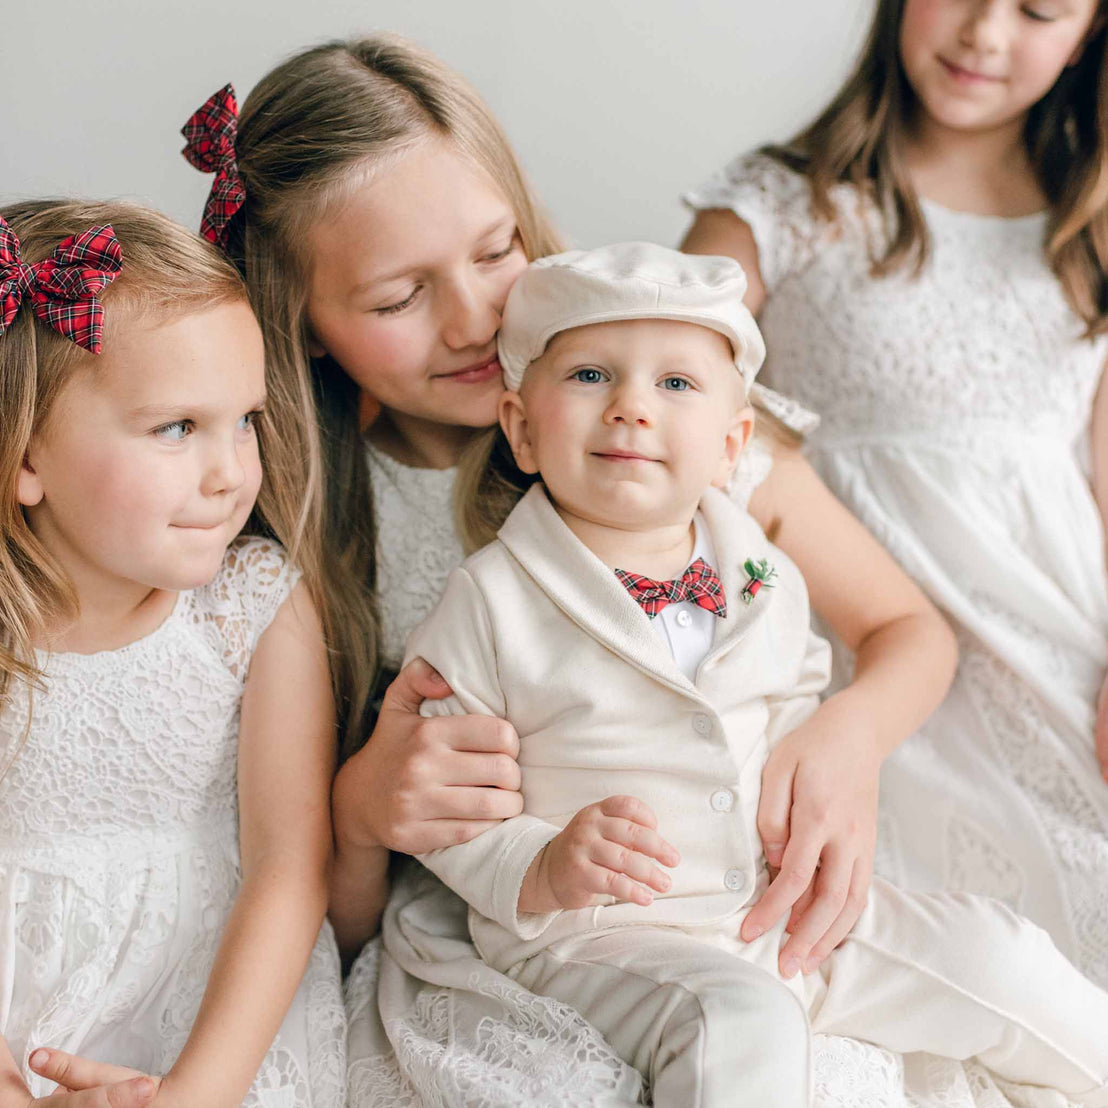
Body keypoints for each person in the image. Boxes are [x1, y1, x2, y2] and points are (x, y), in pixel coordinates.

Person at [163, 35, 970, 1104]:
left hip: (742, 896)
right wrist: (363, 813)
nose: (473, 318)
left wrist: (849, 738)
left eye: (494, 253)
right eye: (398, 298)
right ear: (300, 327)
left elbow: (912, 632)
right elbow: (330, 922)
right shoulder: (296, 538)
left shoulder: (678, 424)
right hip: (511, 945)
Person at [406, 240, 1108, 1108]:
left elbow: (800, 693)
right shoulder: (488, 600)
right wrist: (544, 864)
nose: (630, 407)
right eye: (590, 376)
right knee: (741, 1020)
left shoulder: (763, 574)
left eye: (675, 385)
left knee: (999, 955)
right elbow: (440, 803)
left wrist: (812, 790)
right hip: (606, 936)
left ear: (733, 443)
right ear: (519, 426)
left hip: (778, 913)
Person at [681, 0, 1108, 989]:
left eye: (1038, 8)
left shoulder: (1087, 222)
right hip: (855, 651)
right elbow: (665, 414)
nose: (983, 35)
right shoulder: (772, 208)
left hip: (1054, 650)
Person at [0, 201, 347, 1107]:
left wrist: (197, 1093)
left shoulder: (251, 605)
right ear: (23, 456)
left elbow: (287, 867)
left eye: (244, 421)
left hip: (212, 1026)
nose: (231, 471)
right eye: (176, 428)